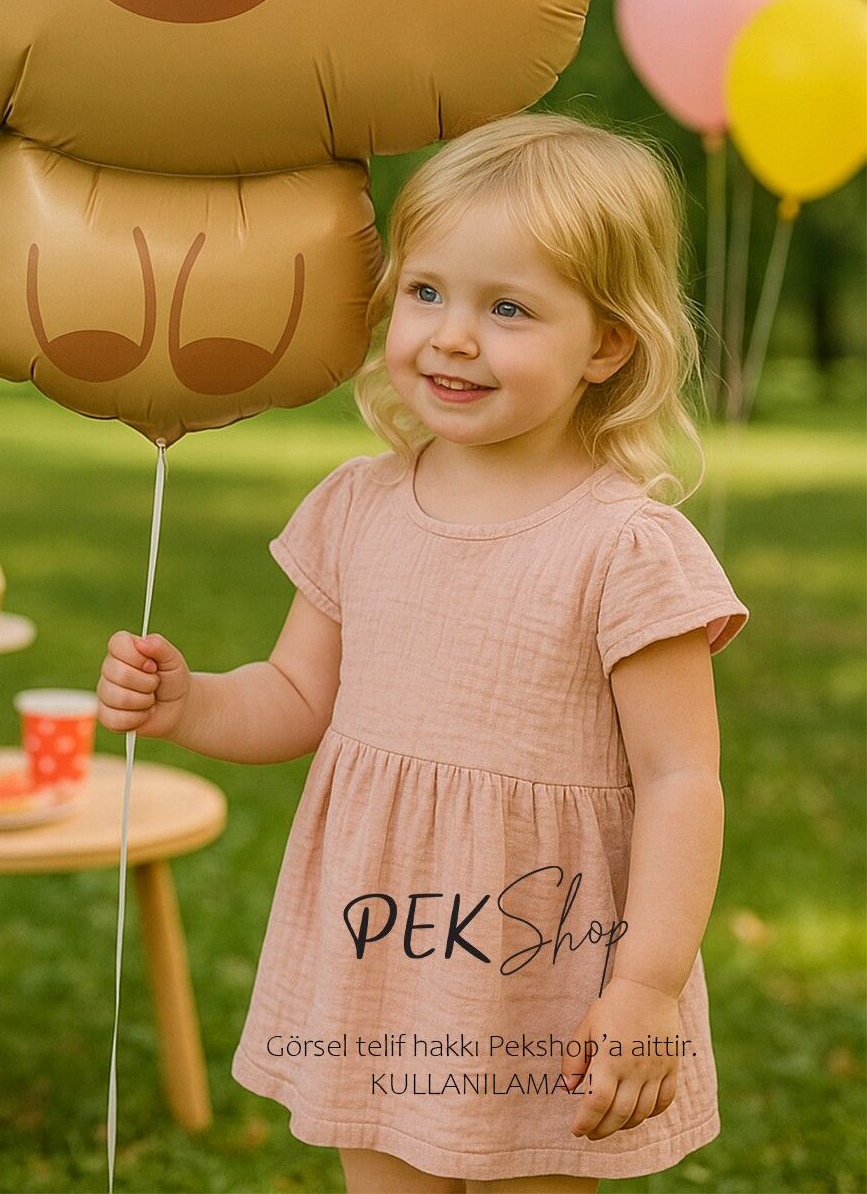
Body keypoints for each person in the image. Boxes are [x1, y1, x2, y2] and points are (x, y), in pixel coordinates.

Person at [97, 112, 748, 1194]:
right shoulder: (360, 505)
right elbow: (297, 695)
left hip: (545, 977)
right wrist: (190, 703)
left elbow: (682, 777)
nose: (451, 336)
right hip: (384, 963)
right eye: (427, 292)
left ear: (606, 343)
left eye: (508, 309)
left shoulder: (627, 546)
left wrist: (647, 984)